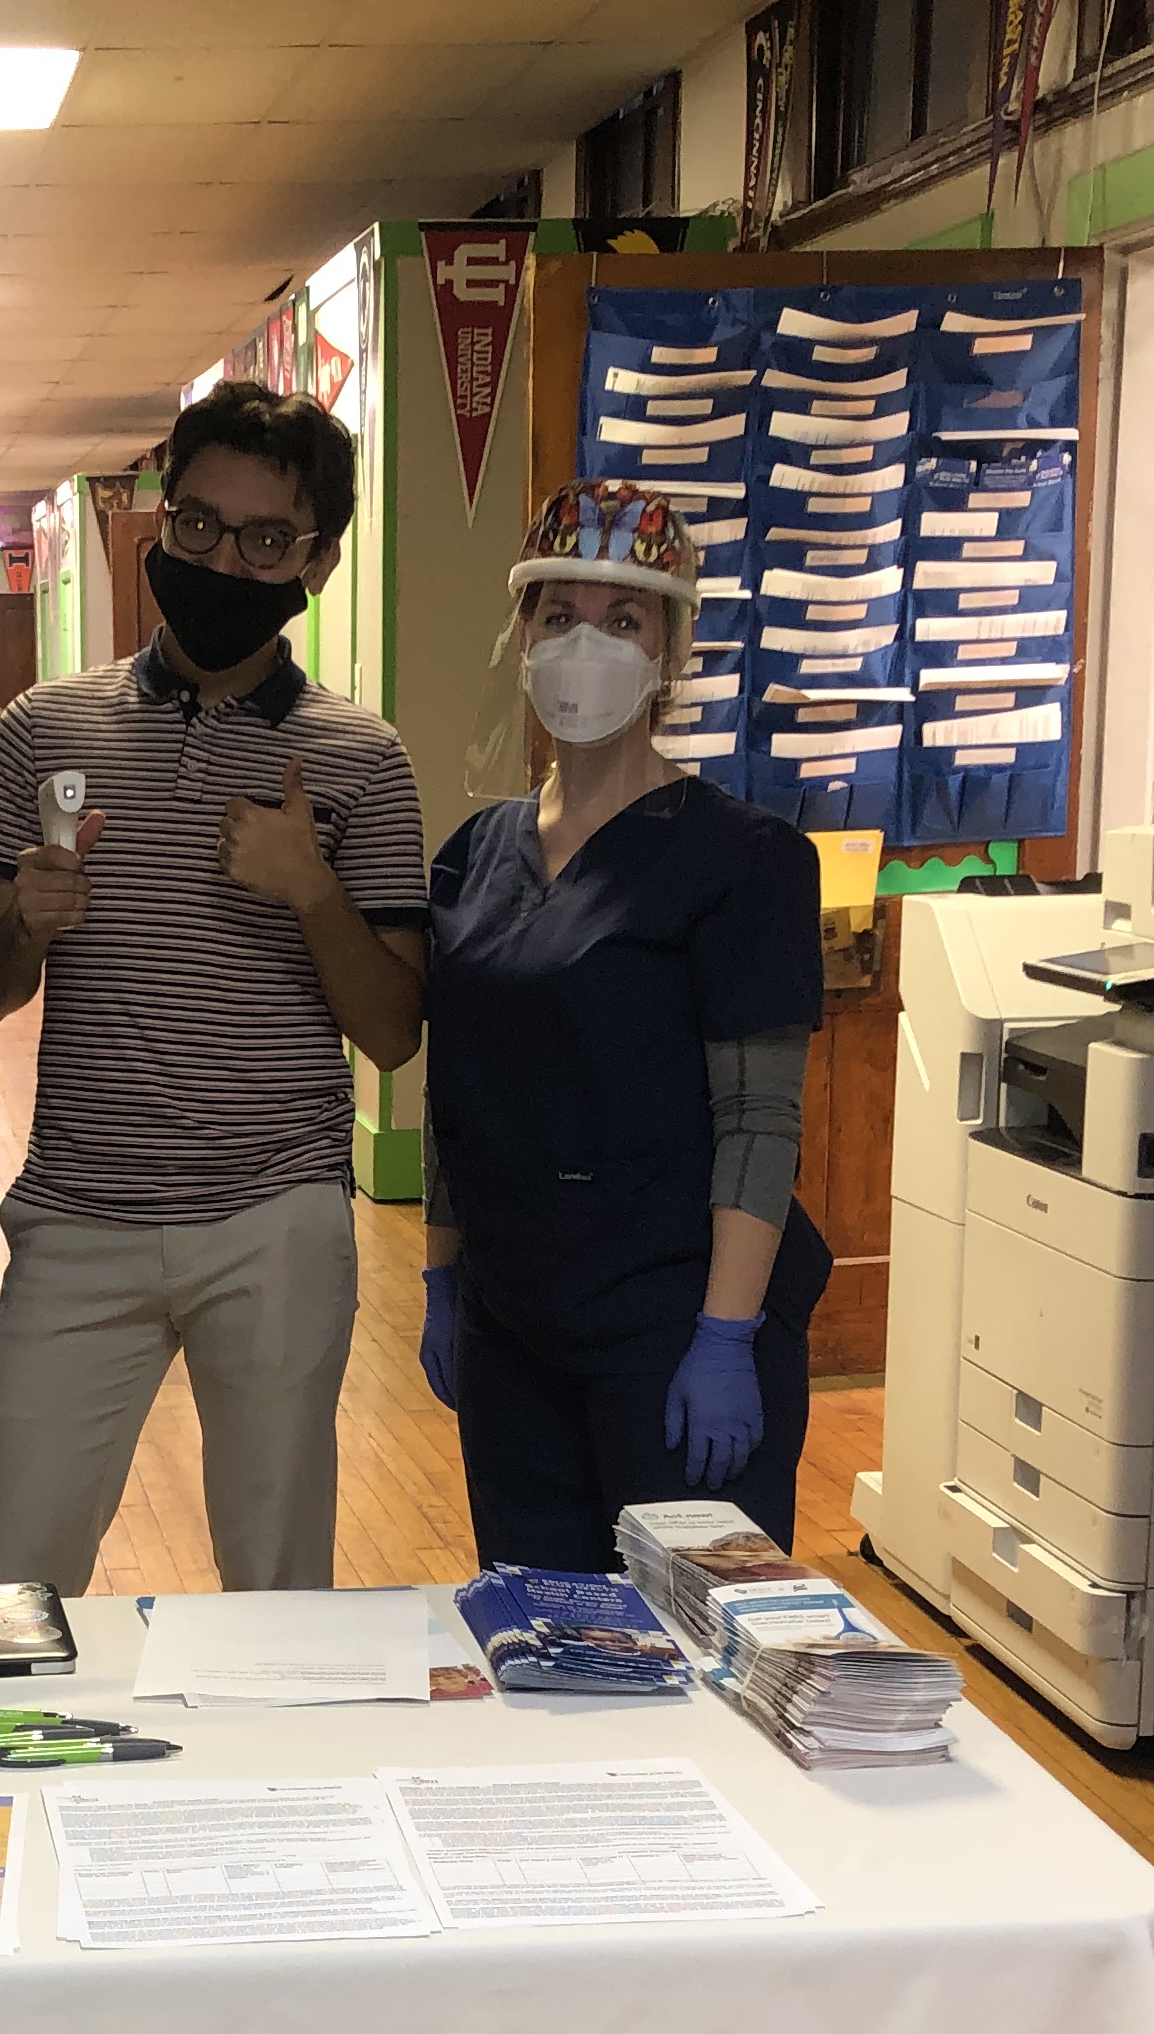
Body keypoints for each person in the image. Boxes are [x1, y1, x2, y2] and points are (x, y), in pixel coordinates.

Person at [0, 380, 431, 1594]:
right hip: (77, 1216)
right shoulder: (41, 730)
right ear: (159, 525)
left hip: (274, 1220)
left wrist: (313, 891)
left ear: (316, 562)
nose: (226, 556)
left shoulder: (361, 760)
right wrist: (30, 922)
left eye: (267, 538)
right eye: (199, 525)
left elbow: (390, 1034)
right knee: (12, 1582)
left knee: (279, 1595)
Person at [417, 482, 833, 1571]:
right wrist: (444, 1277)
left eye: (624, 620)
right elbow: (457, 1090)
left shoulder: (744, 862)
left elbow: (759, 1121)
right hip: (514, 1329)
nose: (583, 646)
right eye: (558, 618)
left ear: (671, 651)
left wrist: (729, 1336)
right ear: (522, 636)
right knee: (546, 1643)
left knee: (695, 1654)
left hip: (678, 1327)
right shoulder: (472, 857)